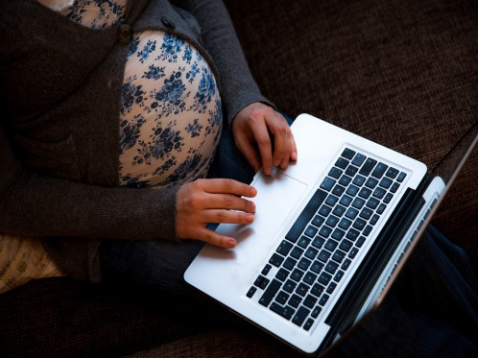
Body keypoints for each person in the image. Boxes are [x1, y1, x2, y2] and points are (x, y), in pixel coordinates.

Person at [0, 1, 476, 357]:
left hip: (233, 131)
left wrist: (246, 98)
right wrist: (163, 214)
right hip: (128, 223)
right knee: (339, 314)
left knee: (392, 216)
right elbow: (10, 196)